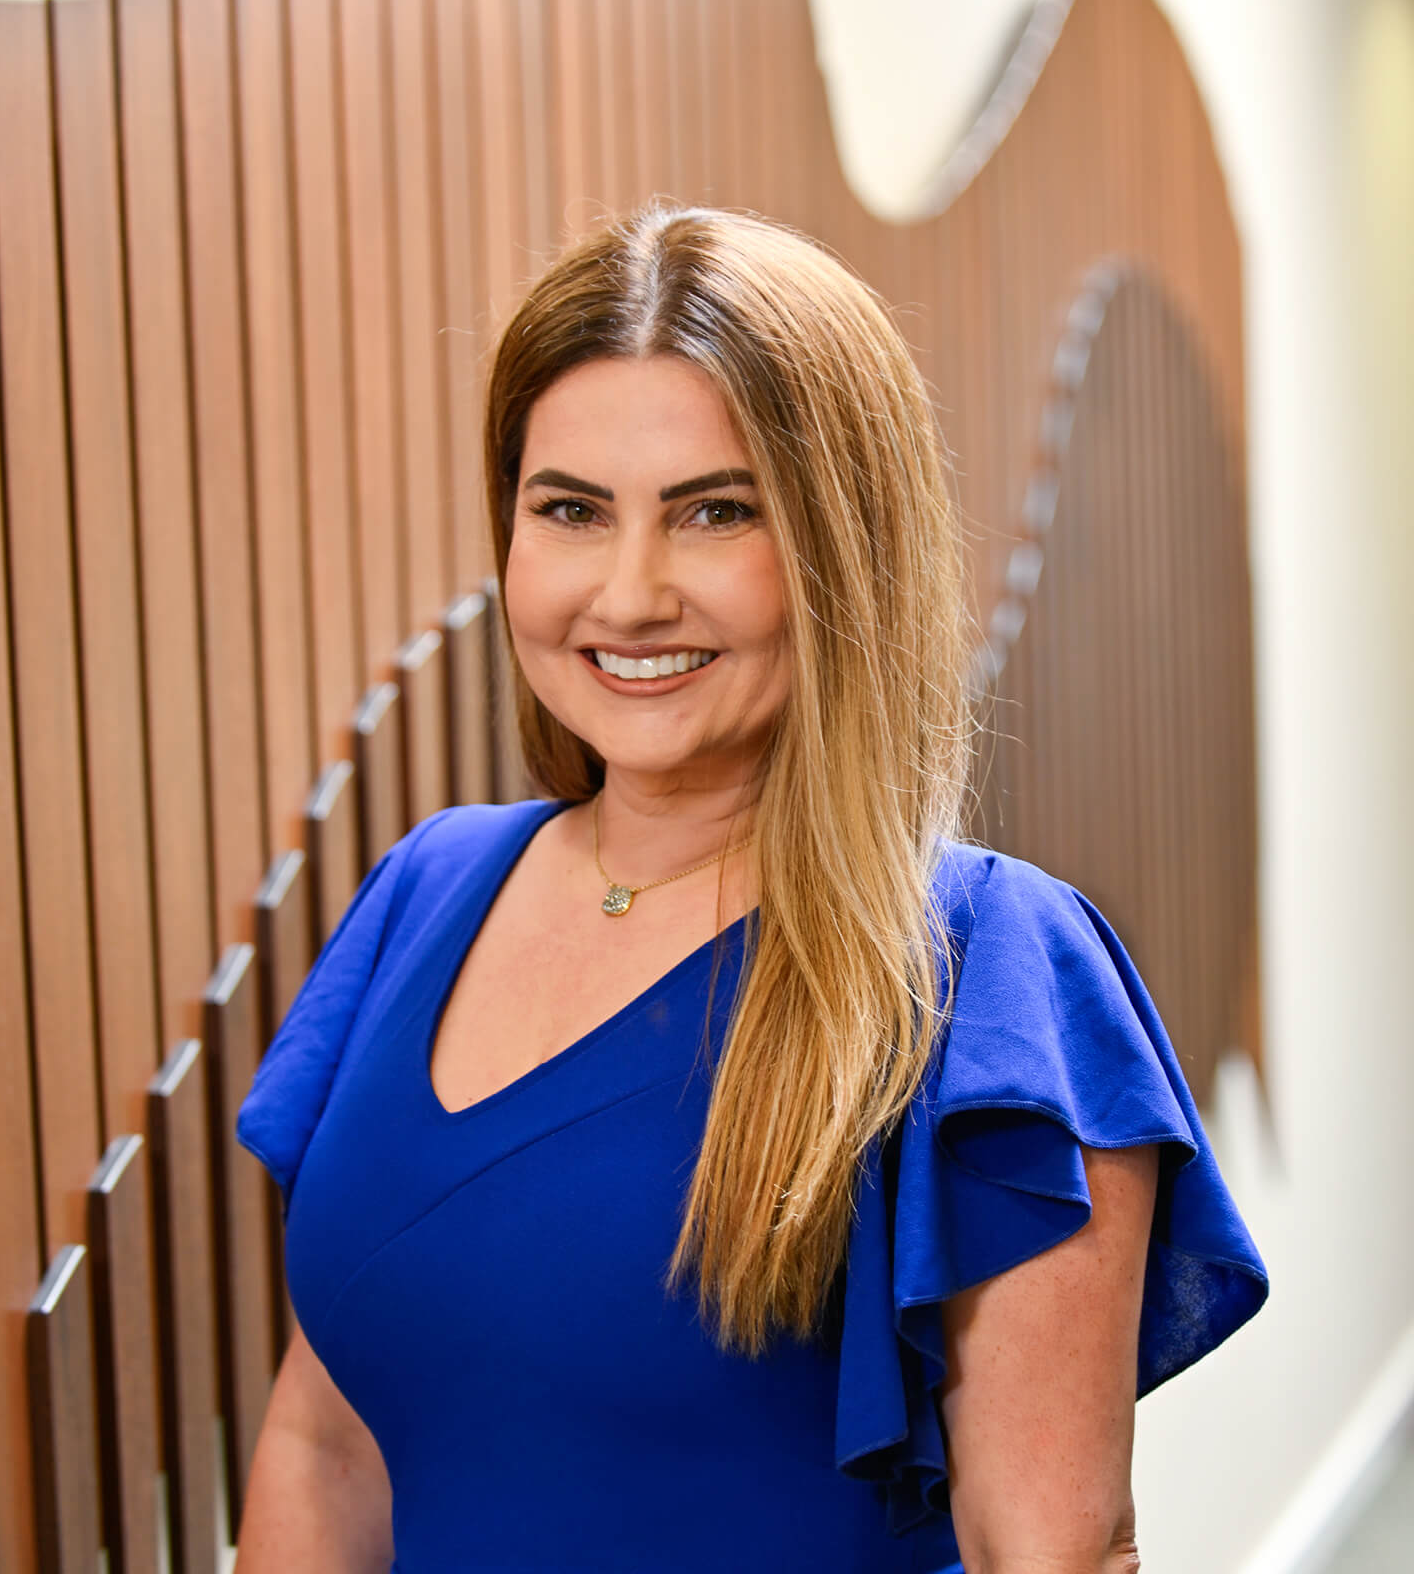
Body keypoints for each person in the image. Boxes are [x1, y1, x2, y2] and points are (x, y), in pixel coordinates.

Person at [233, 207, 1267, 1573]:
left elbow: (1050, 1551)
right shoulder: (426, 890)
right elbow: (332, 1444)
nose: (631, 591)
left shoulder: (987, 973)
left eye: (716, 512)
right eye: (571, 512)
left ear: (845, 546)